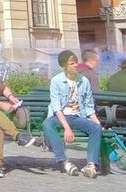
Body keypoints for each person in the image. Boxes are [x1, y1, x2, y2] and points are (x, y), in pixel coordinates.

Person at [44, 50, 103, 178]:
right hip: (61, 117)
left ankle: (91, 165)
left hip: (77, 116)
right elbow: (56, 108)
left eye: (76, 62)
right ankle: (64, 161)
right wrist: (67, 129)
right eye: (72, 63)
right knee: (47, 124)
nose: (76, 65)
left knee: (96, 128)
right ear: (64, 65)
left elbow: (89, 108)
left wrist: (97, 122)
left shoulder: (84, 81)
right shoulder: (56, 81)